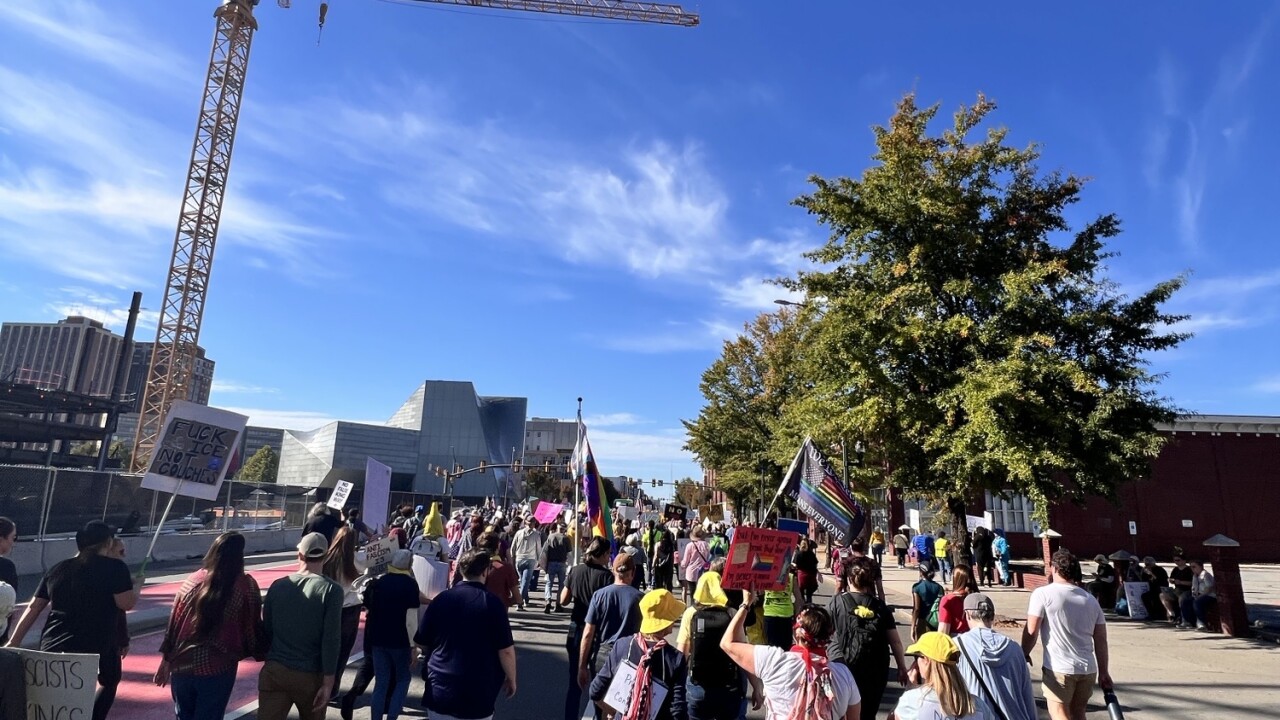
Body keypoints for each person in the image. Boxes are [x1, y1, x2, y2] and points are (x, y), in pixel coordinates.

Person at [5, 520, 136, 720]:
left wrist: (14, 641)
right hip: (97, 643)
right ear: (107, 543)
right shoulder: (115, 568)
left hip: (55, 642)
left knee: (57, 699)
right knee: (109, 681)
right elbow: (125, 603)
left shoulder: (58, 569)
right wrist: (138, 587)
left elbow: (34, 607)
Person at [154, 532, 265, 720]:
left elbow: (174, 623)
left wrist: (166, 660)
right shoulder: (245, 585)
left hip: (182, 664)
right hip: (218, 665)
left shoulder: (192, 581)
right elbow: (251, 625)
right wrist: (261, 651)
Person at [415, 549, 517, 720]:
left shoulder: (442, 599)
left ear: (462, 571)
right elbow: (505, 650)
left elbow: (422, 641)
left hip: (439, 687)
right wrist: (512, 678)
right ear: (485, 571)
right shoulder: (492, 603)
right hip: (478, 690)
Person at [721, 599, 861, 720]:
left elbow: (728, 643)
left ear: (796, 633)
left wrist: (746, 604)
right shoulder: (843, 674)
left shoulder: (774, 660)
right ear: (829, 638)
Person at [258, 532, 344, 720]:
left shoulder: (278, 585)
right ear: (326, 556)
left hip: (275, 669)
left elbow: (267, 629)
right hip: (310, 674)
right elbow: (331, 639)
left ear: (300, 555)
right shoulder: (332, 590)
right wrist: (329, 682)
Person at [1020, 548, 1111, 720]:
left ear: (1054, 569)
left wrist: (1023, 653)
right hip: (1088, 669)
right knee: (1078, 714)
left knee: (1059, 713)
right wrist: (1104, 671)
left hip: (1059, 668)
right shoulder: (1090, 600)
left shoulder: (1043, 594)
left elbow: (1032, 630)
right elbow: (1101, 640)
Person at [828, 556, 908, 720]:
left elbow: (824, 635)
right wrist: (901, 667)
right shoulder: (880, 607)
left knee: (841, 712)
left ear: (850, 579)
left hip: (842, 664)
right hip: (875, 668)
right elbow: (896, 641)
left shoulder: (836, 603)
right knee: (868, 711)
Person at [589, 589, 689, 720]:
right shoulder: (675, 658)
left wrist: (614, 712)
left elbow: (595, 691)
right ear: (667, 621)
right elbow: (678, 710)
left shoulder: (622, 646)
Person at [676, 570, 756, 720]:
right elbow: (743, 654)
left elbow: (682, 653)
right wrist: (757, 687)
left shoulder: (690, 614)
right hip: (728, 686)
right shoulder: (732, 613)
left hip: (698, 685)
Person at [954, 594, 1036, 720]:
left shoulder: (957, 646)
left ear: (968, 614)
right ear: (992, 617)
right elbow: (1027, 697)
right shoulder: (1014, 648)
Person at [361, 550, 421, 720]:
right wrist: (414, 646)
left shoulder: (379, 582)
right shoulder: (410, 584)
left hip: (378, 639)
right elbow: (411, 621)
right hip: (401, 641)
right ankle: (392, 717)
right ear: (409, 565)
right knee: (403, 679)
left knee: (381, 682)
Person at [562, 537, 615, 720]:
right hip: (597, 632)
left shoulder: (575, 571)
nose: (609, 557)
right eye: (608, 553)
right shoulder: (607, 577)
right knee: (598, 683)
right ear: (601, 554)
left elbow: (563, 600)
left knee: (574, 681)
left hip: (576, 628)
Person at [578, 553, 644, 692]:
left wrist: (582, 666)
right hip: (630, 655)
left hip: (603, 655)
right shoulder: (640, 598)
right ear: (633, 572)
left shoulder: (600, 595)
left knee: (600, 701)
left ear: (613, 571)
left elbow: (588, 634)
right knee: (625, 706)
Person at [890, 632, 990, 720]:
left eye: (916, 657)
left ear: (926, 660)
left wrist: (909, 688)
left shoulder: (912, 701)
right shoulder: (980, 707)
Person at [322, 526, 367, 699]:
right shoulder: (356, 559)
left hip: (329, 607)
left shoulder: (327, 559)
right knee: (343, 651)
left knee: (326, 648)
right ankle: (333, 688)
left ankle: (321, 683)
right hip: (350, 610)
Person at [479, 532, 519, 609]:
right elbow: (517, 598)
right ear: (498, 547)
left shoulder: (472, 565)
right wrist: (505, 602)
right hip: (499, 611)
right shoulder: (505, 567)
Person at [936, 565, 978, 637]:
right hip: (974, 639)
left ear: (956, 579)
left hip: (955, 640)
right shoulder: (976, 598)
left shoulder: (948, 600)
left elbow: (943, 630)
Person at [762, 573, 801, 649]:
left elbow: (759, 592)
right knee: (786, 647)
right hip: (786, 614)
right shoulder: (791, 577)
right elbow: (799, 600)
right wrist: (797, 616)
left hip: (770, 613)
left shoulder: (766, 575)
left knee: (771, 648)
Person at [512, 518, 543, 611]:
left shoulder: (520, 533)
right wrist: (539, 561)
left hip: (523, 559)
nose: (531, 524)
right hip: (526, 559)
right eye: (530, 522)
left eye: (532, 522)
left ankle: (525, 598)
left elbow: (513, 547)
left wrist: (512, 557)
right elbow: (539, 550)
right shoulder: (536, 535)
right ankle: (519, 602)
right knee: (524, 581)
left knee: (524, 581)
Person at [910, 562, 945, 641]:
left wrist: (913, 626)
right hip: (936, 622)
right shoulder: (939, 587)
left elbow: (916, 609)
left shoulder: (917, 587)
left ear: (921, 572)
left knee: (922, 648)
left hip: (923, 621)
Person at [543, 522, 572, 613]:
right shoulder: (566, 538)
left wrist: (543, 563)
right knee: (561, 585)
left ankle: (548, 600)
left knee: (549, 583)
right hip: (561, 563)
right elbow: (569, 553)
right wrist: (570, 565)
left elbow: (545, 551)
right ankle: (558, 604)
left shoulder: (550, 536)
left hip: (551, 562)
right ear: (564, 529)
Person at [1181, 560, 1217, 631]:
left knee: (1197, 602)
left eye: (1194, 567)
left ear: (1200, 566)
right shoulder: (1195, 576)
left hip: (1209, 595)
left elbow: (1209, 588)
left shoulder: (1206, 575)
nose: (1192, 569)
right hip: (1198, 594)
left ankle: (1202, 623)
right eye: (1191, 567)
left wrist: (1200, 596)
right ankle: (1189, 621)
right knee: (1185, 600)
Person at [681, 527, 711, 605]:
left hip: (691, 572)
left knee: (692, 593)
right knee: (701, 594)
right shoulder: (706, 545)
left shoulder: (690, 545)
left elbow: (685, 561)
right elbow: (708, 559)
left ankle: (693, 609)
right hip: (703, 572)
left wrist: (681, 564)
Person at [1161, 555, 1194, 625]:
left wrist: (1181, 582)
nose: (1176, 562)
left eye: (1178, 560)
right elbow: (1171, 578)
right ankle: (1171, 613)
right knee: (1162, 595)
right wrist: (1171, 580)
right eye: (1175, 560)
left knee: (1181, 598)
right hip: (1176, 589)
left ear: (1184, 560)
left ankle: (1183, 618)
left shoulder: (1189, 570)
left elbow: (1192, 583)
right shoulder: (1175, 569)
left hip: (1186, 590)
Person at [0, 517, 17, 644]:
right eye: (13, 537)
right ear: (1, 539)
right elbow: (8, 607)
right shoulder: (6, 567)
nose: (13, 542)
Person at [793, 538, 821, 605]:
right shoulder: (811, 554)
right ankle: (809, 606)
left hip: (801, 575)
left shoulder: (798, 554)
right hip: (810, 576)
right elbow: (815, 563)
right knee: (809, 594)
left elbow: (795, 564)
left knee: (801, 593)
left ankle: (802, 606)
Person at [652, 523, 677, 591]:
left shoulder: (658, 544)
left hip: (659, 565)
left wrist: (653, 565)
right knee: (668, 582)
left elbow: (656, 555)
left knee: (659, 583)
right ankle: (668, 596)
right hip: (668, 565)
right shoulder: (671, 545)